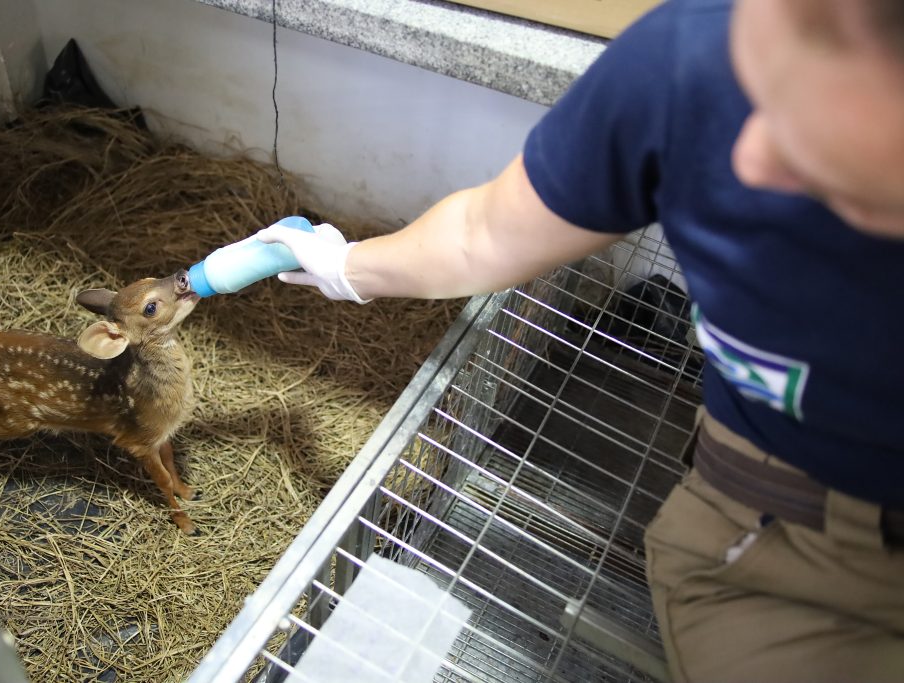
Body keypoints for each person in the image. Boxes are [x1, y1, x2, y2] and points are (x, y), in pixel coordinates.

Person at [257, 0, 904, 680]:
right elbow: (484, 231)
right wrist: (347, 267)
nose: (745, 154)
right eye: (752, 84)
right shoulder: (687, 56)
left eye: (808, 130)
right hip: (784, 517)